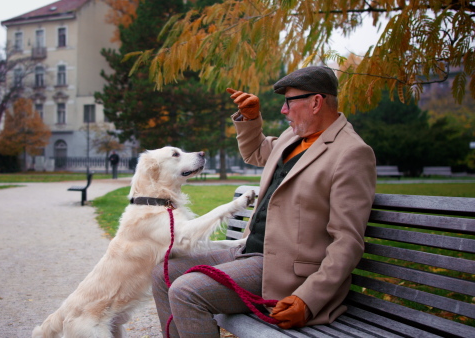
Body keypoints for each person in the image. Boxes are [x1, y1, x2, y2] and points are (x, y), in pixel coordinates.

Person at [151, 66, 376, 337]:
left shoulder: (351, 153)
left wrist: (309, 298)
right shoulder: (294, 137)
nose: (283, 110)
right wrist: (251, 118)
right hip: (250, 251)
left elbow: (347, 241)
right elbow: (258, 152)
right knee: (162, 275)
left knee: (187, 291)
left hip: (285, 271)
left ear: (316, 102)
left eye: (289, 102)